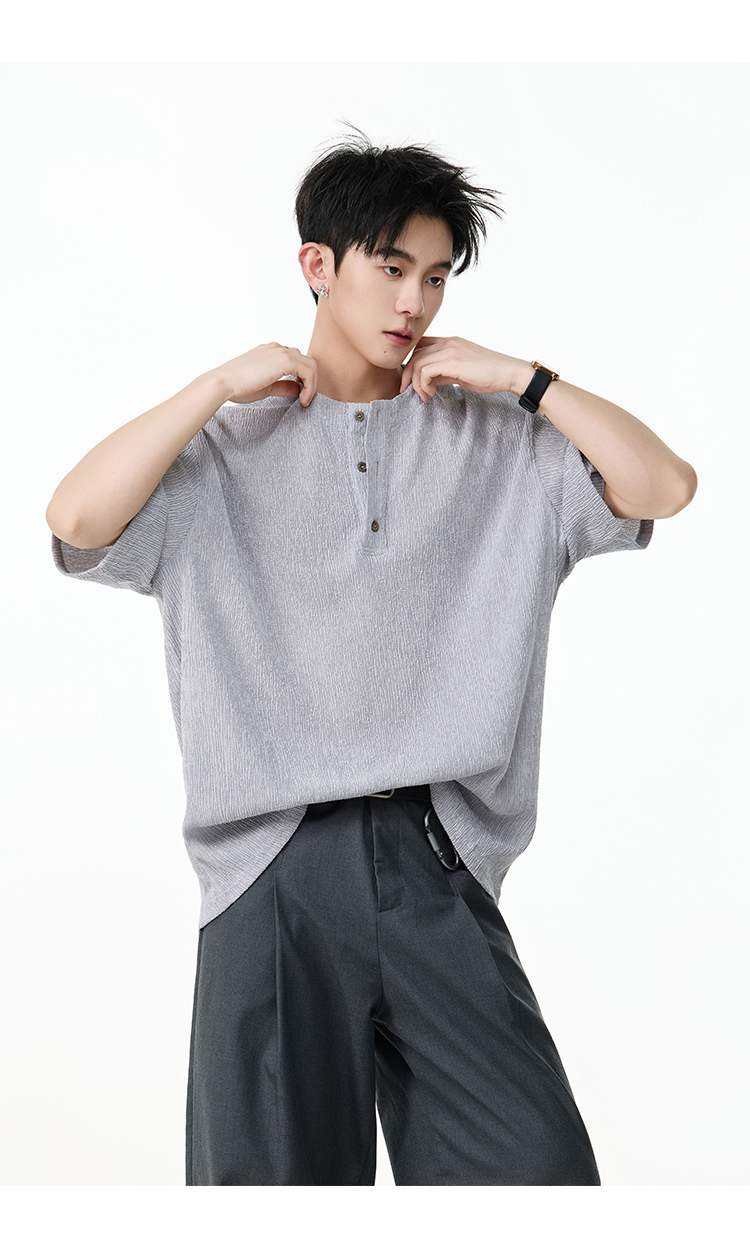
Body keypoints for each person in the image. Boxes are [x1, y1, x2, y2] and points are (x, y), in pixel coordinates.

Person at [46, 124, 698, 1186]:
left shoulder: (499, 445)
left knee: (540, 1177)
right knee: (270, 1199)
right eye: (392, 268)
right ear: (318, 265)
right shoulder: (220, 459)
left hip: (437, 863)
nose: (415, 303)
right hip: (271, 870)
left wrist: (524, 379)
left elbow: (664, 487)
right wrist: (213, 386)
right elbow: (75, 518)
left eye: (435, 277)